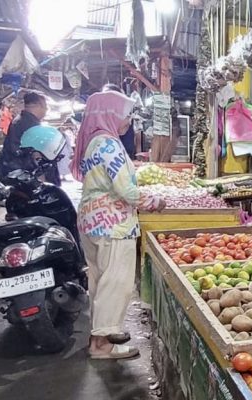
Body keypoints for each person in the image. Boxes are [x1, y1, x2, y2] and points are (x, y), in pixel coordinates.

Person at [71, 90, 165, 360]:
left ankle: (100, 334)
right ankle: (102, 346)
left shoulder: (92, 140)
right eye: (125, 114)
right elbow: (127, 191)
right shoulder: (108, 144)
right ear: (111, 114)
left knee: (100, 279)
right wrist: (154, 201)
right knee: (116, 282)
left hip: (92, 220)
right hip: (113, 224)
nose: (128, 120)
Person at [1, 92, 61, 186]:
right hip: (26, 176)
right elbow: (33, 154)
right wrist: (40, 175)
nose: (46, 110)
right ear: (39, 105)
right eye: (45, 106)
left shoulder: (20, 120)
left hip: (17, 172)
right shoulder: (29, 125)